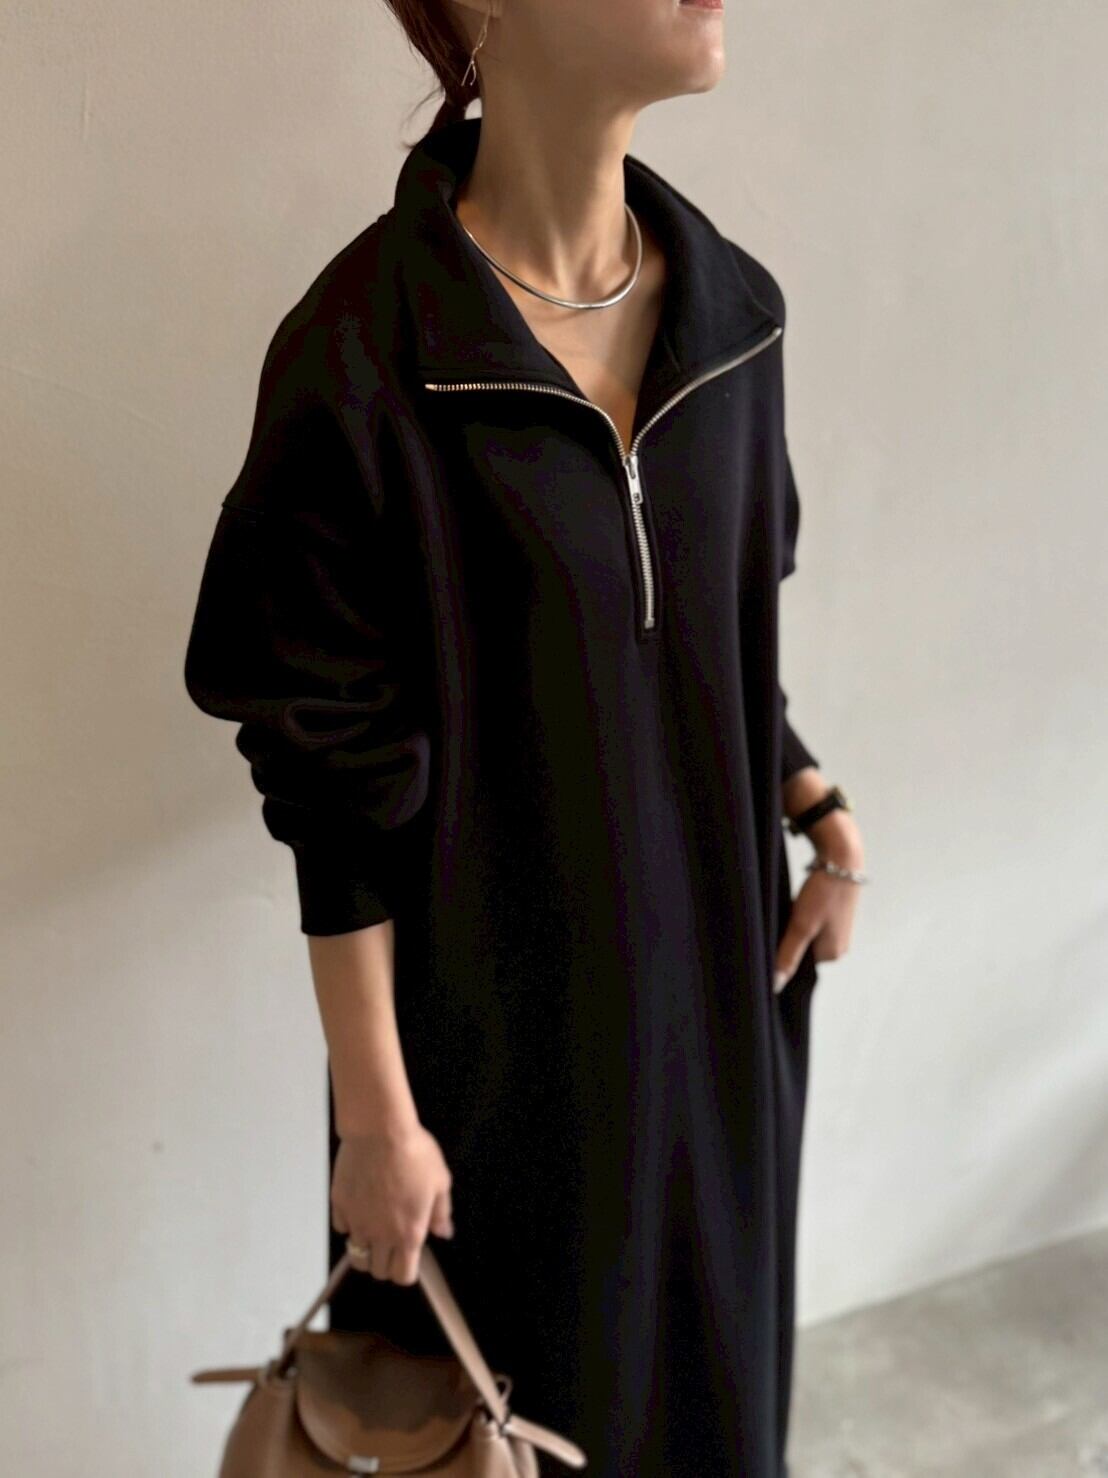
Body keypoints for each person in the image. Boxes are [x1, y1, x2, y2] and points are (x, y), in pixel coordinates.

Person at [183, 0, 867, 1471]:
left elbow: (710, 637)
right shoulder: (363, 355)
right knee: (511, 1438)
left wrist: (817, 804)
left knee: (718, 1419)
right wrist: (376, 1117)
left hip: (717, 1017)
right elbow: (328, 779)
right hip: (496, 1070)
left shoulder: (735, 319)